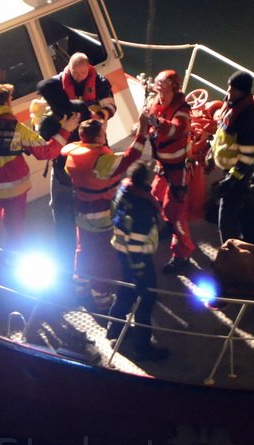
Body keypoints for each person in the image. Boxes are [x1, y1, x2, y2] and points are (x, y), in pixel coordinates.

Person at [0, 83, 80, 254]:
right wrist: (65, 130)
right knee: (15, 230)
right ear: (7, 103)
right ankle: (14, 260)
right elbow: (46, 152)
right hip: (16, 191)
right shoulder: (19, 130)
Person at [37, 52, 117, 265]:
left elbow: (41, 146)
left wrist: (94, 120)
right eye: (76, 72)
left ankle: (70, 252)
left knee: (67, 208)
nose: (80, 76)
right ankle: (89, 247)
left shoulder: (99, 83)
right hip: (82, 163)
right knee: (87, 204)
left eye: (83, 72)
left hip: (71, 162)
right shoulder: (76, 106)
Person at [62, 114, 150, 310]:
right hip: (101, 214)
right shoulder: (101, 161)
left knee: (83, 250)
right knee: (103, 257)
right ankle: (102, 298)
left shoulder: (73, 154)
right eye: (103, 132)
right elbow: (130, 158)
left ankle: (81, 288)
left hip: (81, 211)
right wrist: (142, 133)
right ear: (98, 138)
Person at [108, 161, 169, 360]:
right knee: (145, 300)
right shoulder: (143, 206)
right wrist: (140, 271)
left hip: (120, 250)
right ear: (145, 179)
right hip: (138, 259)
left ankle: (114, 329)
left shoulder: (122, 190)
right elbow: (137, 242)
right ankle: (143, 348)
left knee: (125, 290)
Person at [145, 70, 196, 275]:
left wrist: (157, 123)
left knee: (176, 214)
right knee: (156, 196)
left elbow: (177, 130)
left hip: (178, 170)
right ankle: (167, 225)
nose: (161, 94)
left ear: (175, 90)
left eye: (164, 90)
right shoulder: (156, 103)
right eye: (158, 89)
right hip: (163, 166)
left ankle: (182, 254)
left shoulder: (181, 112)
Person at [209, 70, 254, 247]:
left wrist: (232, 179)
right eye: (229, 87)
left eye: (233, 90)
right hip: (232, 170)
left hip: (238, 173)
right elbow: (221, 135)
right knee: (247, 209)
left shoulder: (248, 120)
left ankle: (229, 253)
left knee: (226, 219)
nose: (228, 92)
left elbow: (246, 157)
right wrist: (211, 156)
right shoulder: (231, 106)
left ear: (243, 92)